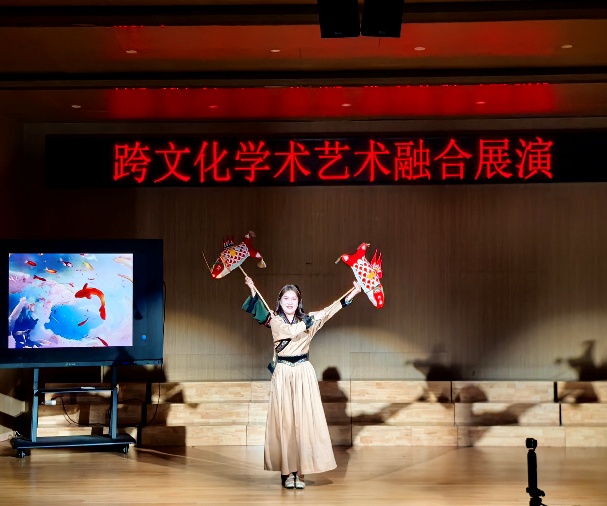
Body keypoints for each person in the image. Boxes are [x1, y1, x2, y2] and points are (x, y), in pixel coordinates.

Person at [242, 276, 361, 490]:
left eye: (294, 299)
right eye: (286, 298)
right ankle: (287, 472)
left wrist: (354, 292)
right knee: (286, 423)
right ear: (280, 301)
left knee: (303, 422)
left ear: (299, 302)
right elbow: (289, 332)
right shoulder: (276, 321)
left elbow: (330, 310)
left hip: (304, 372)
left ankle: (301, 472)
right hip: (283, 372)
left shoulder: (309, 319)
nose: (290, 302)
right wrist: (252, 289)